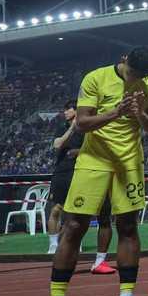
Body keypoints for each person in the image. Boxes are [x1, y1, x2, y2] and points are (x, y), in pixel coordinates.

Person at [36, 46, 148, 296]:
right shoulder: (95, 78)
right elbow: (82, 123)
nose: (134, 80)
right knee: (74, 226)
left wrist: (140, 113)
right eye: (132, 74)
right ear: (123, 60)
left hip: (129, 161)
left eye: (140, 77)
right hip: (94, 160)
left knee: (128, 227)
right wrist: (117, 111)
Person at [46, 100, 114, 271]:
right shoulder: (63, 127)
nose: (64, 112)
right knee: (58, 210)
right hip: (63, 172)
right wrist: (72, 128)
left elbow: (98, 147)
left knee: (95, 215)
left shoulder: (91, 127)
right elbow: (58, 144)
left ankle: (98, 259)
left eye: (68, 109)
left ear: (77, 110)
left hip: (89, 172)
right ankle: (55, 246)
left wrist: (79, 151)